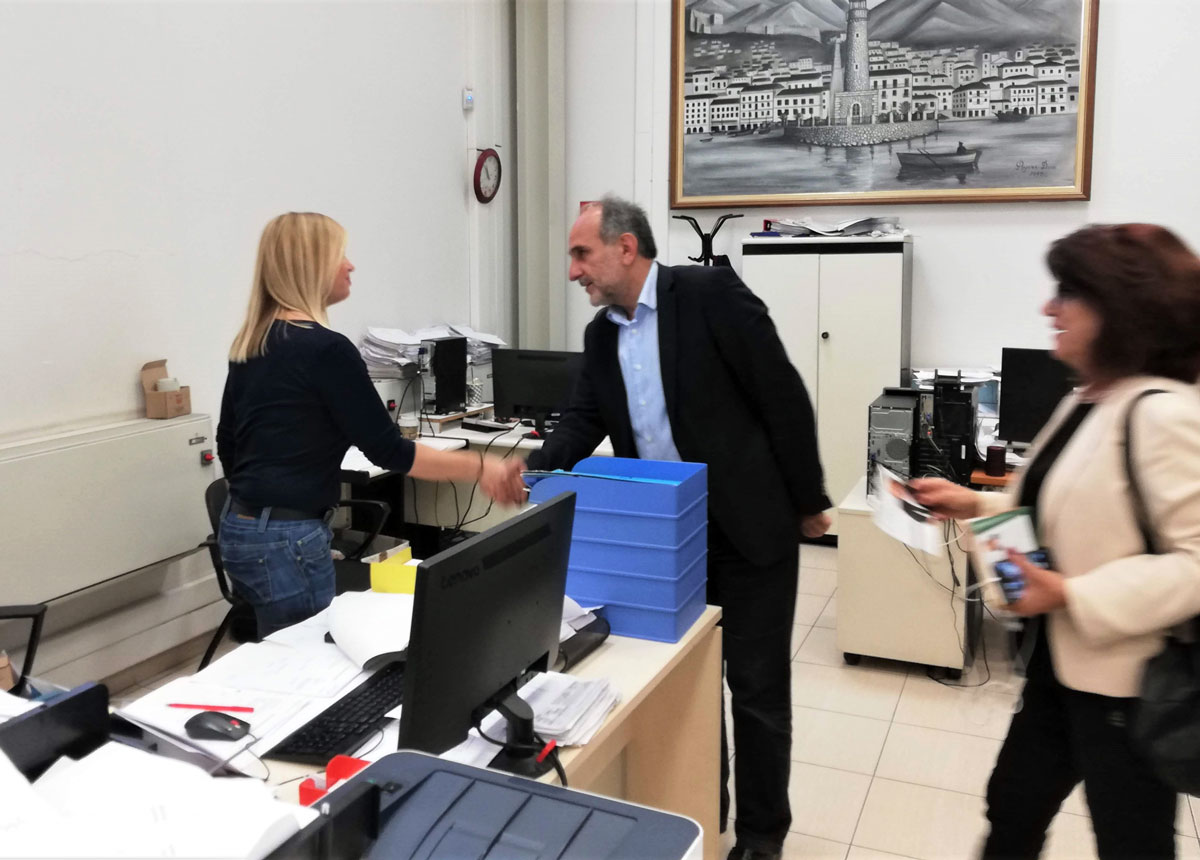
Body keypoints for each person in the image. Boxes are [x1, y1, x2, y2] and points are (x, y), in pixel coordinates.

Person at [524, 196, 831, 860]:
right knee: (688, 682)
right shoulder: (601, 336)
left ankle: (761, 838)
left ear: (625, 247)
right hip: (668, 541)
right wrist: (534, 470)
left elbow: (781, 394)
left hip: (749, 529)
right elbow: (583, 418)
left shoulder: (709, 295)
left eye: (582, 254)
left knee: (756, 691)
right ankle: (700, 815)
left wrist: (808, 498)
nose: (573, 270)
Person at [909, 223, 1200, 859]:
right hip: (1056, 667)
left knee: (1132, 842)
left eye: (1068, 293)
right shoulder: (1087, 400)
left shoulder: (1164, 412)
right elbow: (1053, 509)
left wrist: (1069, 593)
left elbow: (1195, 564)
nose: (1048, 308)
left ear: (1121, 308)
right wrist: (973, 503)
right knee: (1012, 806)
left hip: (1125, 687)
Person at [217, 212, 525, 637]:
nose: (350, 265)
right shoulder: (327, 351)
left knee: (281, 648)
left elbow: (228, 444)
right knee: (306, 659)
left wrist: (266, 510)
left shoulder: (252, 343)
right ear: (311, 264)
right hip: (287, 539)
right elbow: (389, 451)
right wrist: (481, 466)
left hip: (240, 529)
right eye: (340, 255)